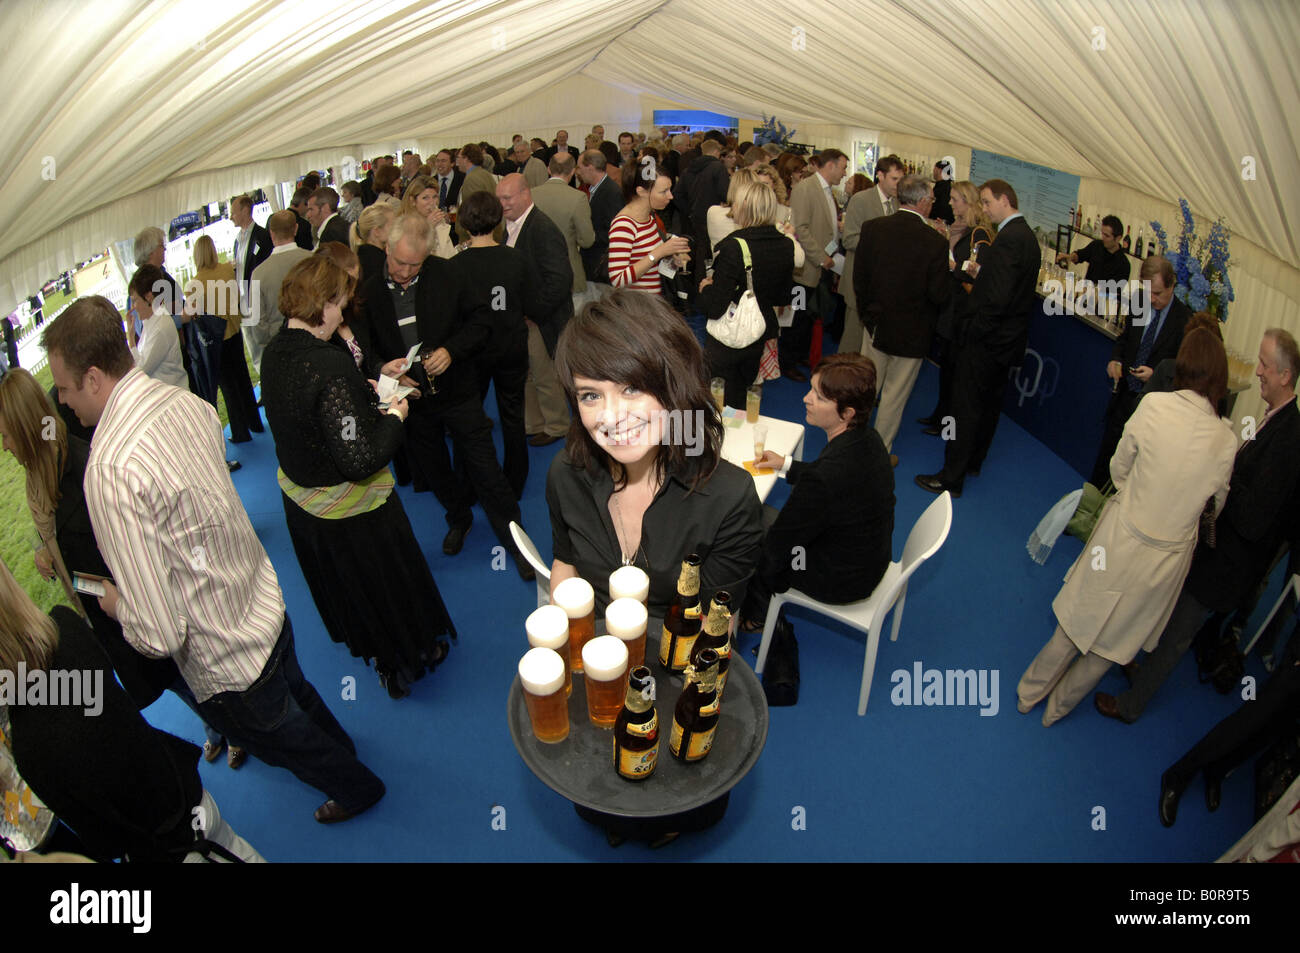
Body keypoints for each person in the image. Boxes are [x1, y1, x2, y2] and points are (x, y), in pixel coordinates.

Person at [41, 296, 386, 824]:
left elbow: (159, 632)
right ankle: (346, 751)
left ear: (91, 378)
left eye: (63, 388)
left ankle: (357, 787)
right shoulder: (184, 403)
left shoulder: (109, 469)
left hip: (224, 656)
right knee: (300, 695)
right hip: (263, 602)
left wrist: (111, 601)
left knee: (284, 738)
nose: (62, 403)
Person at [1017, 328, 1237, 726]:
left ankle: (1029, 693)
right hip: (1164, 565)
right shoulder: (1227, 440)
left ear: (1183, 365)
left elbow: (1118, 471)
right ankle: (1058, 710)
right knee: (1115, 642)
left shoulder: (1153, 406)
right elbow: (1214, 509)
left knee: (1077, 616)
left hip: (1119, 540)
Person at [261, 256, 456, 699]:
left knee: (355, 599)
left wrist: (359, 393)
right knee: (388, 591)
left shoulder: (276, 352)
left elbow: (311, 418)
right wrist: (395, 414)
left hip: (305, 509)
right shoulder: (327, 364)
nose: (344, 312)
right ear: (324, 303)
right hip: (354, 515)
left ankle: (385, 663)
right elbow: (361, 457)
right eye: (341, 303)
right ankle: (414, 655)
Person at [1096, 329, 1300, 723]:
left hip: (1228, 565)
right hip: (1214, 551)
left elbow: (1256, 517)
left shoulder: (1291, 438)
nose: (1256, 372)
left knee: (1177, 635)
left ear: (1285, 376)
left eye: (1264, 365)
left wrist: (1222, 470)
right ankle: (1145, 673)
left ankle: (1131, 705)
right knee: (1170, 619)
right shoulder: (1274, 419)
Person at [0, 558, 264, 862]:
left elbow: (102, 838)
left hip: (160, 846)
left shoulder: (29, 747)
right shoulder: (67, 627)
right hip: (187, 795)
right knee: (238, 850)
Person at [547, 289, 763, 617]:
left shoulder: (728, 498)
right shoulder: (567, 473)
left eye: (631, 388)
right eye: (591, 396)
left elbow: (713, 628)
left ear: (675, 385)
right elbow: (565, 562)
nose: (611, 417)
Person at [351, 213, 532, 577]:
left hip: (459, 392)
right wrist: (381, 368)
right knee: (433, 468)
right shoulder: (368, 293)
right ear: (385, 248)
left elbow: (481, 322)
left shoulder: (448, 274)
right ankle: (459, 517)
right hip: (411, 402)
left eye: (414, 265)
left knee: (484, 465)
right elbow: (362, 349)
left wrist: (451, 350)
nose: (405, 272)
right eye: (400, 262)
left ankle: (514, 538)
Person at [742, 352, 895, 626]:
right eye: (811, 389)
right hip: (868, 561)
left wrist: (763, 580)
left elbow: (780, 543)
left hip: (838, 579)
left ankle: (757, 615)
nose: (805, 398)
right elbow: (838, 481)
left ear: (846, 413)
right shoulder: (868, 440)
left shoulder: (825, 478)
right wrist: (786, 464)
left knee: (745, 524)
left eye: (819, 397)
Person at [916, 179, 1041, 497]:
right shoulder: (1025, 237)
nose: (983, 209)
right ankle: (972, 462)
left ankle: (950, 477)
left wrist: (973, 333)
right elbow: (1006, 288)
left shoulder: (1010, 239)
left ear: (1004, 200)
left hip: (987, 341)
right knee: (988, 407)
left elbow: (996, 300)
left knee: (965, 409)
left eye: (986, 202)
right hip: (1005, 342)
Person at [854, 173, 951, 466]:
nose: (932, 204)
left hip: (876, 326)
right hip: (913, 333)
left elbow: (860, 279)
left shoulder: (873, 228)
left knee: (864, 388)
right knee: (894, 398)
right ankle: (879, 455)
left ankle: (851, 442)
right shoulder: (936, 242)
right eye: (932, 199)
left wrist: (868, 316)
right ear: (922, 202)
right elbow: (938, 294)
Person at [446, 191, 530, 498]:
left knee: (468, 420)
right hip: (511, 348)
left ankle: (468, 485)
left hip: (471, 354)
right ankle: (515, 483)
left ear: (465, 223)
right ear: (497, 220)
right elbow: (531, 304)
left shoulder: (455, 266)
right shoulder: (516, 258)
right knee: (513, 418)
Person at [1087, 256, 1189, 487]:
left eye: (1158, 294)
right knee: (1106, 461)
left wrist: (1157, 375)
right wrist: (1115, 360)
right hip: (1123, 398)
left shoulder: (1184, 320)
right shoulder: (1140, 302)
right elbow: (1124, 340)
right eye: (1148, 292)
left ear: (1172, 286)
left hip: (1152, 409)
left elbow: (1182, 370)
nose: (1152, 299)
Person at [698, 177, 794, 409]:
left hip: (727, 338)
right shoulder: (786, 244)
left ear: (742, 207)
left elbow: (715, 306)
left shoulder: (732, 246)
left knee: (716, 402)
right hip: (758, 332)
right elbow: (784, 296)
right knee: (742, 400)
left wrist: (705, 288)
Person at [496, 173, 574, 448]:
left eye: (507, 198)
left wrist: (533, 313)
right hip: (525, 319)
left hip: (541, 320)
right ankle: (535, 422)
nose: (502, 204)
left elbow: (560, 280)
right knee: (528, 373)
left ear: (525, 194)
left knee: (544, 375)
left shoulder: (541, 228)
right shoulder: (513, 224)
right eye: (500, 198)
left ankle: (556, 424)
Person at [919, 180, 994, 432]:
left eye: (954, 199)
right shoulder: (960, 230)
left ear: (967, 201)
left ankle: (946, 421)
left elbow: (977, 273)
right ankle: (940, 414)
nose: (949, 203)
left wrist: (953, 266)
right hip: (952, 308)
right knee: (947, 368)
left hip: (962, 312)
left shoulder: (978, 233)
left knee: (954, 371)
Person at [186, 235, 264, 445]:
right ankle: (254, 422)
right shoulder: (227, 270)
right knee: (243, 379)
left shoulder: (194, 284)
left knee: (228, 388)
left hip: (216, 340)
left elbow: (192, 314)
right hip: (234, 331)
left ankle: (240, 432)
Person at [784, 148, 849, 381]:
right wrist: (821, 257)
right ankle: (787, 361)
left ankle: (800, 353)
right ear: (830, 165)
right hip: (805, 270)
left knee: (809, 316)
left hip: (821, 267)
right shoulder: (805, 189)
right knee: (797, 316)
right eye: (843, 167)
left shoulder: (826, 190)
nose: (844, 173)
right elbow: (800, 230)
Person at [841, 154, 904, 356]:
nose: (898, 184)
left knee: (871, 345)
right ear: (880, 176)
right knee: (852, 338)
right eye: (894, 179)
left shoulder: (897, 204)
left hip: (882, 285)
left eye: (900, 180)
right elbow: (849, 239)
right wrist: (884, 246)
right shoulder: (861, 200)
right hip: (859, 281)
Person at [608, 161, 691, 295]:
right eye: (664, 191)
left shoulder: (649, 218)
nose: (670, 196)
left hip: (652, 304)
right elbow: (618, 279)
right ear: (641, 191)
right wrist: (660, 252)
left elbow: (648, 263)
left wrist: (673, 261)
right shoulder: (624, 225)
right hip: (637, 308)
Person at [127, 265, 188, 390]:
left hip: (173, 400)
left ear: (149, 297)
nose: (133, 307)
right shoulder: (150, 322)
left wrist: (131, 338)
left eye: (135, 300)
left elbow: (140, 371)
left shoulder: (160, 327)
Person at [1056, 214, 1131, 286]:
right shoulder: (1096, 245)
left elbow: (1114, 293)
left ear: (1118, 238)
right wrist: (1070, 257)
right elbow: (1080, 255)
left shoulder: (1124, 265)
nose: (1103, 237)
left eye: (1107, 236)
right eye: (1102, 233)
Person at [400, 174, 457, 258]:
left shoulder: (439, 221)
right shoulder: (404, 225)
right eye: (425, 198)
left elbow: (447, 252)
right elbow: (411, 256)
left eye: (435, 197)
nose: (432, 202)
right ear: (413, 201)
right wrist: (428, 227)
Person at [353, 202, 396, 281]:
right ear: (377, 231)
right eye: (393, 225)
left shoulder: (359, 256)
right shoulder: (380, 264)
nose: (397, 229)